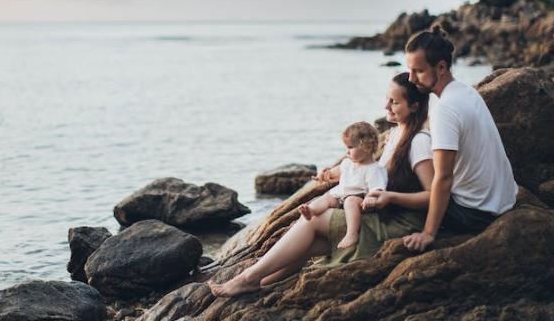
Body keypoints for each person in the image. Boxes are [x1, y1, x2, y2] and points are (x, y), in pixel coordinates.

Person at [209, 72, 434, 297]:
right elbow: (372, 172)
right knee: (311, 241)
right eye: (387, 99)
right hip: (382, 213)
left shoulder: (419, 142)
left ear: (414, 106)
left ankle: (247, 278)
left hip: (399, 223)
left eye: (394, 102)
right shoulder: (396, 133)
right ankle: (264, 281)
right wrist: (338, 176)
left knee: (313, 220)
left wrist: (391, 198)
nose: (386, 105)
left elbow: (434, 196)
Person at [401, 25, 518, 253]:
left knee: (401, 202)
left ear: (441, 67)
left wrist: (428, 233)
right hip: (504, 201)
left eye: (419, 71)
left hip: (476, 213)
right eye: (409, 70)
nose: (411, 78)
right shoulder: (465, 91)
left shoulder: (444, 109)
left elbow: (444, 178)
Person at [298, 122, 387, 249]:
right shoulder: (347, 163)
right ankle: (311, 211)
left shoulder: (374, 169)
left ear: (366, 146)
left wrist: (371, 198)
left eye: (350, 147)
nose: (347, 152)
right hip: (340, 197)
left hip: (359, 201)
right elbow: (334, 173)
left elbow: (377, 188)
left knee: (351, 201)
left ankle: (352, 234)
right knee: (326, 198)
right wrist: (324, 175)